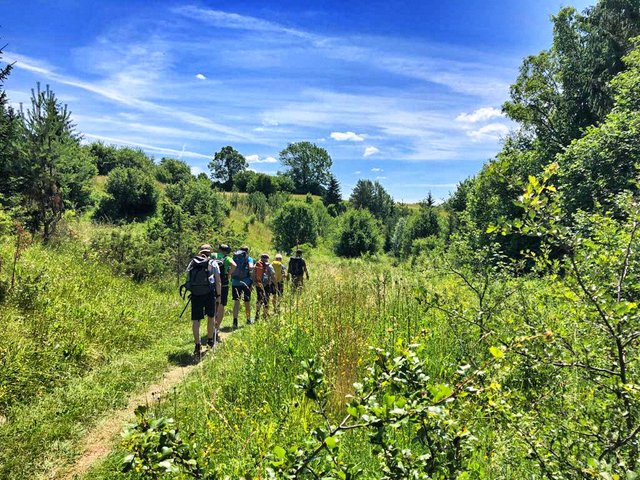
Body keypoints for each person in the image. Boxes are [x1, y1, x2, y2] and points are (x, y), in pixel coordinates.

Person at [185, 244, 221, 357]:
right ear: (209, 253)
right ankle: (210, 341)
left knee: (196, 320)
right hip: (209, 294)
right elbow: (218, 280)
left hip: (195, 294)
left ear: (200, 252)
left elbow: (188, 279)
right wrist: (218, 295)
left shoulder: (192, 263)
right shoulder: (212, 263)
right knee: (211, 317)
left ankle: (197, 345)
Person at [214, 244, 236, 342]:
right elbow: (234, 265)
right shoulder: (227, 258)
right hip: (224, 285)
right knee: (222, 305)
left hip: (212, 284)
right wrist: (229, 274)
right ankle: (217, 327)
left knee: (214, 304)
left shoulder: (213, 255)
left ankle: (212, 325)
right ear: (227, 251)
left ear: (219, 249)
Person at [231, 245, 254, 329]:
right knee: (247, 302)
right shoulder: (249, 258)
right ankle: (248, 319)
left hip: (235, 282)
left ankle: (235, 321)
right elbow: (251, 267)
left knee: (236, 302)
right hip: (246, 282)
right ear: (247, 251)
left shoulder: (234, 257)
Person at [253, 253, 276, 321]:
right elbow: (273, 275)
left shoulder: (256, 265)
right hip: (266, 285)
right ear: (267, 259)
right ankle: (265, 315)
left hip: (258, 284)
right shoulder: (269, 266)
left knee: (259, 299)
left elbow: (253, 274)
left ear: (261, 258)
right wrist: (275, 284)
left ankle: (257, 314)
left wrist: (255, 283)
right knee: (266, 300)